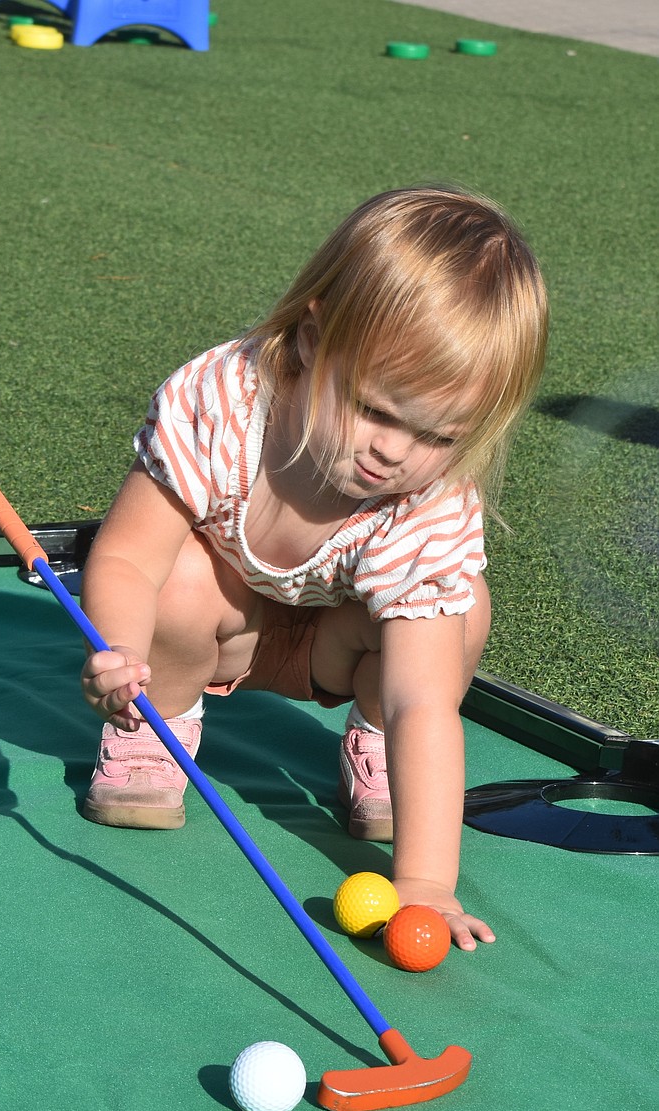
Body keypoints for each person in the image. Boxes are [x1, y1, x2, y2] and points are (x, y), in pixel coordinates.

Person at [79, 185, 548, 951]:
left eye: (437, 435)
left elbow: (424, 702)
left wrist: (425, 885)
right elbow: (130, 555)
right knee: (182, 581)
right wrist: (121, 647)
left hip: (337, 643)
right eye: (377, 409)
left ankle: (372, 751)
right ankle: (156, 726)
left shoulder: (425, 497)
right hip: (219, 623)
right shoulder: (220, 402)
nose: (394, 451)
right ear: (309, 338)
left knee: (460, 614)